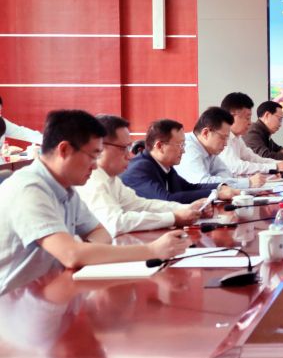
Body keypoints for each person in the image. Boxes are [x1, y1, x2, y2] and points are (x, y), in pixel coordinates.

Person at [0, 110, 188, 295]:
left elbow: (101, 232)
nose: (96, 165)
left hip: (50, 291)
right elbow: (72, 255)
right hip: (12, 303)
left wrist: (81, 250)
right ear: (64, 150)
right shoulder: (29, 188)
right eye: (92, 155)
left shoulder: (66, 188)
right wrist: (151, 250)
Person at [77, 115, 204, 237]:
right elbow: (116, 223)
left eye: (129, 147)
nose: (128, 155)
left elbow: (140, 205)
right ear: (100, 146)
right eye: (123, 148)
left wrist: (186, 208)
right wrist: (173, 217)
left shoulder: (111, 178)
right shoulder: (92, 180)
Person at [121, 119, 238, 203]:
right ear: (160, 146)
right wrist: (216, 194)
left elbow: (189, 187)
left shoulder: (165, 166)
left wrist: (220, 187)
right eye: (180, 145)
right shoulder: (141, 168)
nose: (183, 151)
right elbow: (166, 199)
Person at [179, 107, 264, 189]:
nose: (226, 143)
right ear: (205, 133)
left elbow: (225, 172)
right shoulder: (188, 147)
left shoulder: (209, 149)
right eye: (223, 137)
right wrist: (247, 182)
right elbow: (202, 183)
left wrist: (221, 181)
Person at [219, 93, 283, 177]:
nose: (250, 122)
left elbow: (253, 159)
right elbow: (236, 167)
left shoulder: (237, 138)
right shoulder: (223, 138)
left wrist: (279, 163)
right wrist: (275, 166)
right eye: (247, 118)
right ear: (231, 117)